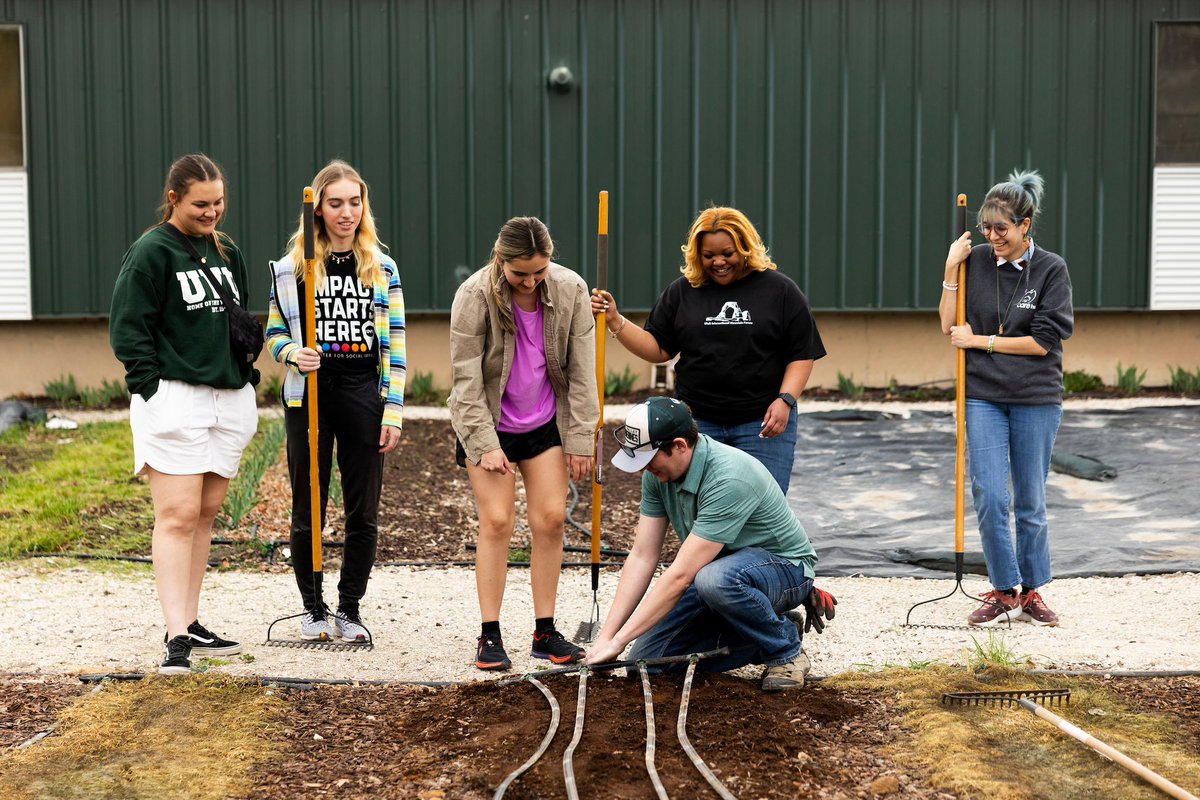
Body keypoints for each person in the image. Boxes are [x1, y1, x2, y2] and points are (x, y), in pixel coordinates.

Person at [110, 153, 259, 675]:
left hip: (227, 396)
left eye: (218, 202)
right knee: (175, 516)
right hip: (174, 396)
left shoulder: (226, 249)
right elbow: (128, 329)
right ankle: (175, 635)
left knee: (203, 515)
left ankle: (191, 621)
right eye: (201, 204)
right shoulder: (151, 252)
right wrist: (150, 388)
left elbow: (238, 317)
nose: (212, 212)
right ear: (174, 198)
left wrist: (247, 374)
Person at [584, 397, 836, 692]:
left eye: (648, 460)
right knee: (647, 664)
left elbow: (681, 577)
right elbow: (642, 555)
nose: (644, 469)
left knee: (714, 580)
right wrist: (606, 638)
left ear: (679, 445)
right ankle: (769, 627)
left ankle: (785, 651)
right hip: (721, 573)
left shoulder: (729, 477)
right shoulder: (658, 474)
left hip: (783, 569)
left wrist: (618, 642)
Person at [449, 216, 599, 671]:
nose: (532, 281)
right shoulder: (473, 296)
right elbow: (466, 380)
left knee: (551, 520)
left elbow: (582, 372)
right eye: (521, 274)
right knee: (496, 521)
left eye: (540, 270)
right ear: (500, 260)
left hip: (545, 423)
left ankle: (545, 632)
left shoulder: (571, 289)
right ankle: (489, 634)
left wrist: (581, 440)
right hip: (490, 421)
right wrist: (484, 443)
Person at [265, 160, 405, 643]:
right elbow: (274, 332)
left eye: (354, 202)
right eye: (335, 203)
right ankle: (312, 610)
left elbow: (397, 343)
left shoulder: (382, 268)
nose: (346, 212)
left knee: (362, 509)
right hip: (311, 393)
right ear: (318, 209)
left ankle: (349, 607)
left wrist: (394, 409)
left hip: (363, 388)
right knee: (309, 507)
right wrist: (290, 352)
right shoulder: (293, 270)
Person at [591, 207, 826, 493]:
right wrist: (616, 320)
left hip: (763, 423)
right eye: (709, 255)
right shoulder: (682, 292)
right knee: (703, 506)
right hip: (698, 424)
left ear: (745, 247)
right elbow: (658, 349)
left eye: (727, 253)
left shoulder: (780, 291)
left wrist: (785, 400)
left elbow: (801, 353)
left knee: (761, 508)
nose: (718, 262)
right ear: (697, 254)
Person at [939, 169, 1074, 627]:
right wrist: (950, 268)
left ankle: (1033, 590)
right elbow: (948, 327)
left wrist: (981, 342)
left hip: (1036, 397)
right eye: (986, 228)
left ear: (1025, 226)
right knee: (989, 493)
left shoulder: (1051, 269)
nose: (992, 237)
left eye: (1002, 229)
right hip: (984, 396)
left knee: (1030, 498)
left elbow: (1041, 343)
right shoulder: (974, 259)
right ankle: (1004, 589)